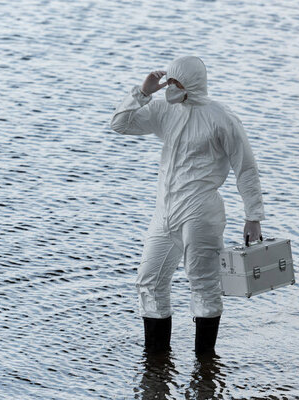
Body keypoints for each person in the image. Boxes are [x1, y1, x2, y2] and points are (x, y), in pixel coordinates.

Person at [110, 56, 265, 356]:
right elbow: (120, 124)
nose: (169, 87)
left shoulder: (221, 117)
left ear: (191, 84)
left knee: (203, 285)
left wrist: (253, 216)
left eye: (175, 83)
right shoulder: (163, 109)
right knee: (149, 281)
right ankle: (156, 363)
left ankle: (204, 363)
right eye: (168, 81)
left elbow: (245, 167)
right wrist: (142, 92)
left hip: (201, 214)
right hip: (164, 213)